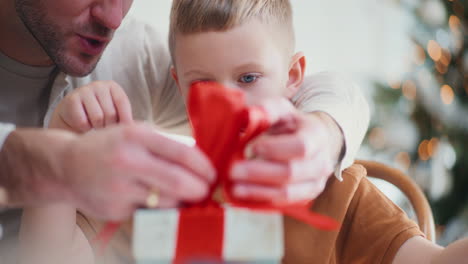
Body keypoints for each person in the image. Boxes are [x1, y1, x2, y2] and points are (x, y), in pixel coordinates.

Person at [18, 0, 468, 263]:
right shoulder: (158, 193)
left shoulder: (339, 195)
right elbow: (46, 255)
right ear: (178, 86)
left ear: (294, 77)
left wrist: (323, 131)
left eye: (249, 79)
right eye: (204, 85)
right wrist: (61, 141)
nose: (228, 103)